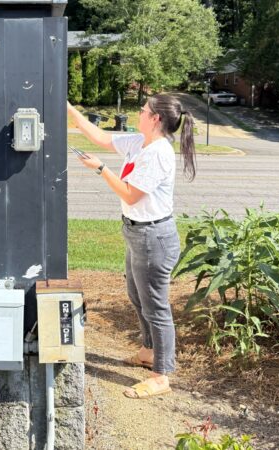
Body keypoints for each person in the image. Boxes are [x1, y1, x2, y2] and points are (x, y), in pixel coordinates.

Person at [66, 94, 196, 398]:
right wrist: (69, 108)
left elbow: (130, 194)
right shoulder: (140, 142)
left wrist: (100, 169)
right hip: (137, 233)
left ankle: (162, 375)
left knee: (156, 306)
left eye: (143, 110)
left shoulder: (158, 153)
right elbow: (99, 137)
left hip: (154, 238)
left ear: (156, 119)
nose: (139, 112)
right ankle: (148, 351)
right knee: (136, 295)